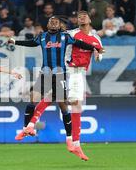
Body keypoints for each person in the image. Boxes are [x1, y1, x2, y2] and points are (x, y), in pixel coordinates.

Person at [8, 16, 103, 159]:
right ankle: (26, 129)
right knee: (33, 98)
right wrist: (15, 41)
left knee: (63, 106)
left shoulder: (65, 37)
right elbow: (30, 43)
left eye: (56, 22)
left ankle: (69, 139)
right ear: (47, 25)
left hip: (60, 74)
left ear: (59, 26)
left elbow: (81, 44)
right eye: (51, 21)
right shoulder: (42, 37)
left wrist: (95, 48)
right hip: (44, 74)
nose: (53, 23)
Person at [67, 11, 103, 160]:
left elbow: (100, 55)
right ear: (77, 21)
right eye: (79, 16)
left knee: (75, 106)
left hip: (79, 72)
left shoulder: (95, 38)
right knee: (74, 105)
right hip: (69, 69)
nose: (81, 17)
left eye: (84, 15)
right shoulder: (71, 34)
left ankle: (75, 143)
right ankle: (73, 142)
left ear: (89, 19)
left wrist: (97, 55)